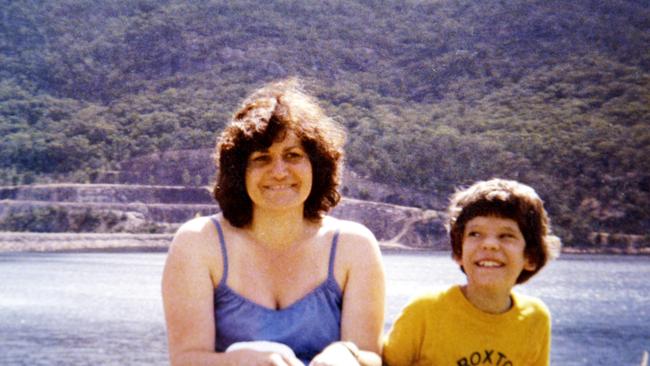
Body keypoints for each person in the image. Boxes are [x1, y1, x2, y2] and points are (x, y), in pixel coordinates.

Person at [162, 78, 385, 366]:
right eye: (261, 158)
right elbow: (185, 359)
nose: (279, 171)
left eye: (293, 156)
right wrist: (239, 361)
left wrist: (348, 355)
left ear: (317, 166)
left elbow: (372, 356)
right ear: (239, 172)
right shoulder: (198, 242)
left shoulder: (355, 246)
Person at [383, 178, 561, 366]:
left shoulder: (536, 318)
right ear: (459, 251)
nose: (489, 244)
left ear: (531, 257)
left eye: (506, 235)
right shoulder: (425, 311)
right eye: (475, 234)